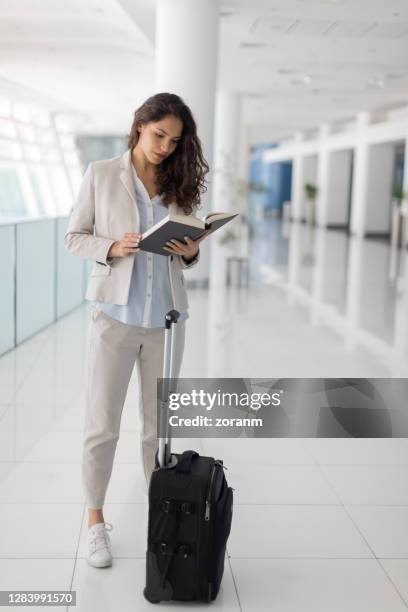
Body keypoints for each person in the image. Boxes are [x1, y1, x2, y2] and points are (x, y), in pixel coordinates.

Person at [64, 92, 210, 568]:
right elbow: (74, 237)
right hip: (114, 318)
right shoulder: (102, 174)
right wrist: (113, 246)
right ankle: (95, 523)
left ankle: (160, 518)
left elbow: (186, 253)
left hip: (166, 322)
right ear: (139, 126)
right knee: (102, 427)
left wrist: (190, 251)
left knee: (157, 431)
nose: (165, 147)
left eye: (174, 140)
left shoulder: (178, 180)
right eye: (158, 135)